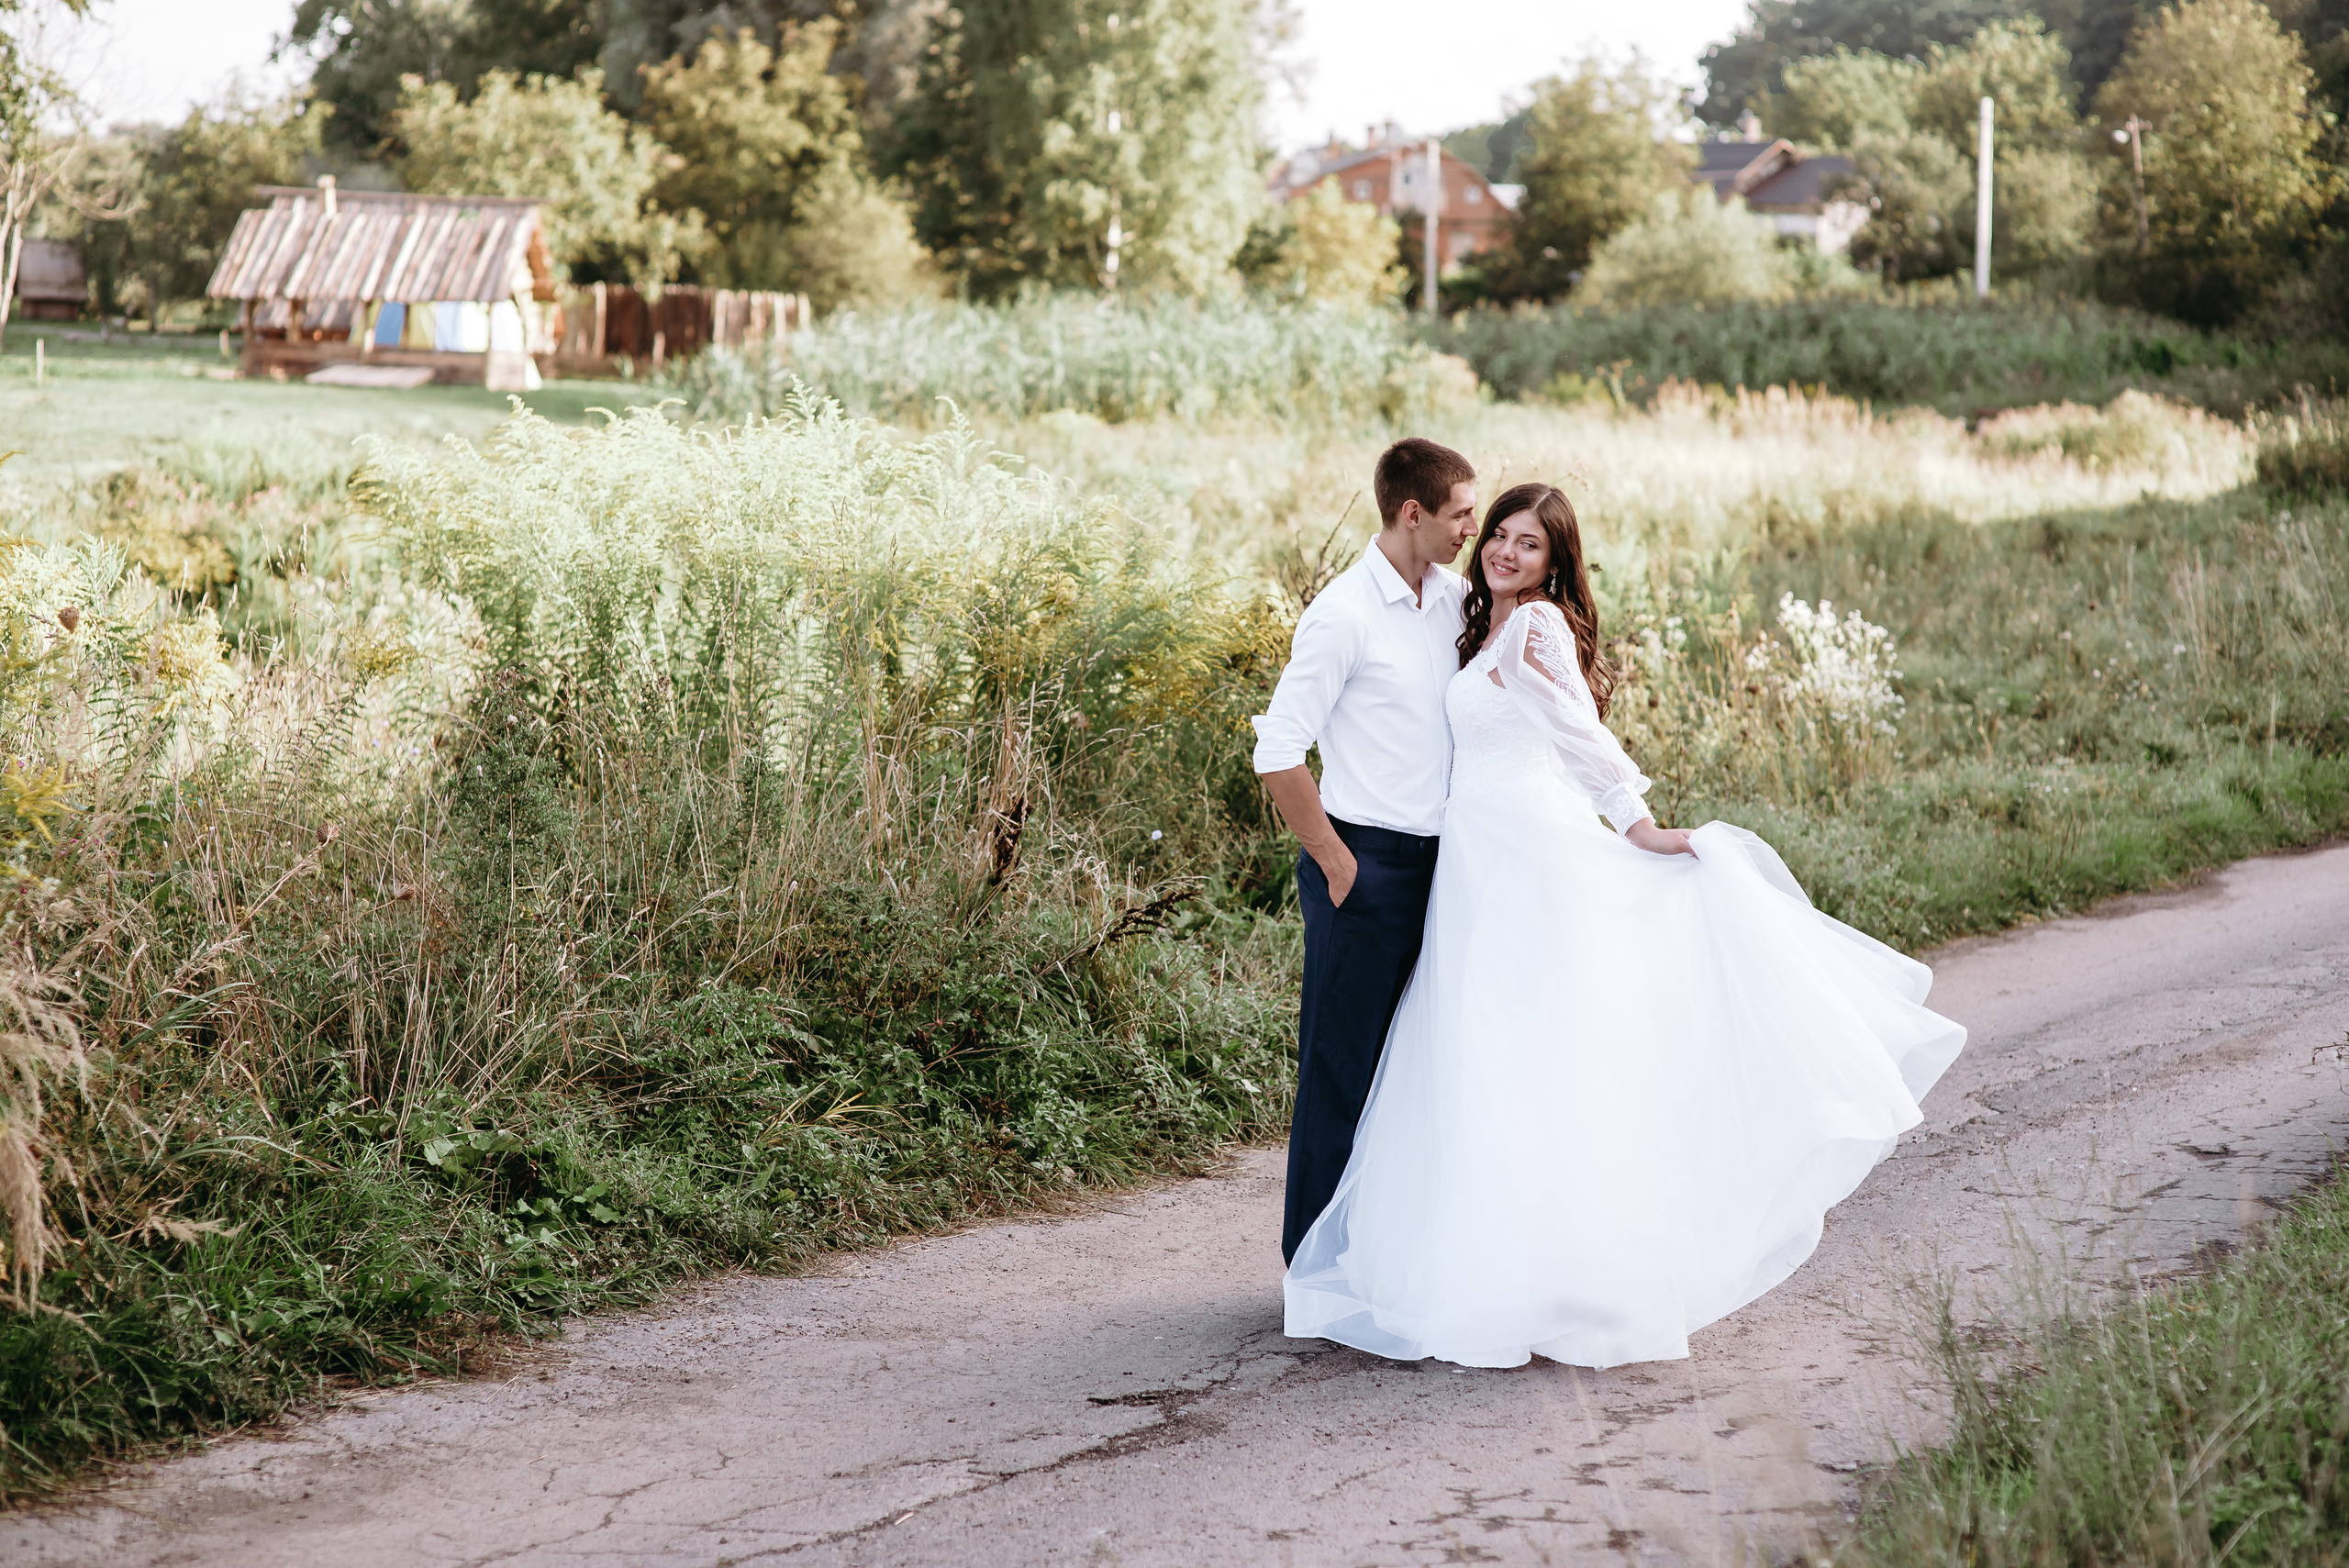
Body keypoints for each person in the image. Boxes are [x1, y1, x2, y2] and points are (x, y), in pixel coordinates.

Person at [1282, 483, 1967, 1369]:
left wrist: (1636, 822)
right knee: (1479, 1056)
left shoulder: (1535, 629)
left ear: (1555, 564)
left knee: (1527, 1056)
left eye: (1530, 547)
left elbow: (1579, 733)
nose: (1505, 552)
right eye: (1499, 535)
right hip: (1475, 863)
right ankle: (1496, 1259)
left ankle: (1556, 1274)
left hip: (1526, 856)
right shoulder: (1468, 617)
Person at [1251, 438, 1480, 1265]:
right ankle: (1314, 1271)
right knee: (1341, 1071)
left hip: (1452, 868)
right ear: (1412, 513)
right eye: (1460, 513)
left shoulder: (1459, 600)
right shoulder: (1342, 614)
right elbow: (1278, 750)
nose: (1472, 528)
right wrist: (1337, 862)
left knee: (1422, 1071)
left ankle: (1396, 1264)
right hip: (1367, 867)